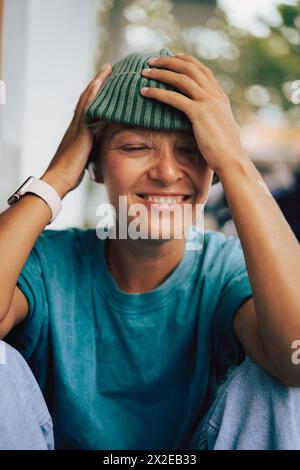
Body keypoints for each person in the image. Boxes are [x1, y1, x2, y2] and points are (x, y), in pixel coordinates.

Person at [0, 47, 300, 450]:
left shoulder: (225, 270)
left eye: (193, 151)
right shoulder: (48, 262)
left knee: (279, 381)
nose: (166, 172)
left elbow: (296, 360)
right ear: (94, 163)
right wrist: (55, 179)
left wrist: (235, 163)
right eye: (135, 147)